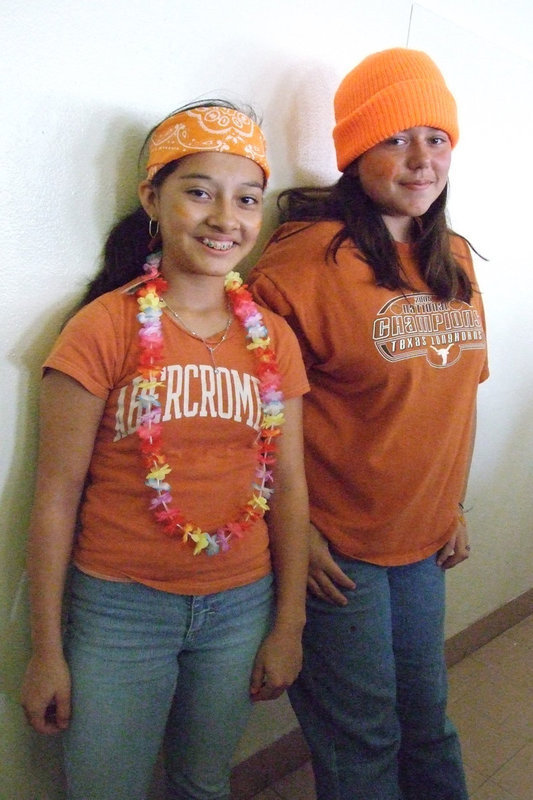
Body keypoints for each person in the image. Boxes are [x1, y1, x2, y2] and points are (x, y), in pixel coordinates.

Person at [20, 101, 310, 800]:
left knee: (203, 784)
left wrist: (288, 623)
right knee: (103, 787)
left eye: (247, 199)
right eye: (198, 191)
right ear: (153, 197)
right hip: (120, 609)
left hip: (242, 603)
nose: (225, 218)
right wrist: (46, 651)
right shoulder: (103, 326)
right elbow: (55, 495)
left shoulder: (271, 336)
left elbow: (291, 487)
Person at [249, 48, 488, 800]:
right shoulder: (299, 268)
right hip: (334, 549)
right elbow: (249, 427)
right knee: (365, 737)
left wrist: (452, 501)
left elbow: (459, 394)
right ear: (354, 154)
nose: (421, 160)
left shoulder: (450, 259)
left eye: (436, 138)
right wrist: (297, 533)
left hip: (419, 542)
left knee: (427, 722)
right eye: (395, 139)